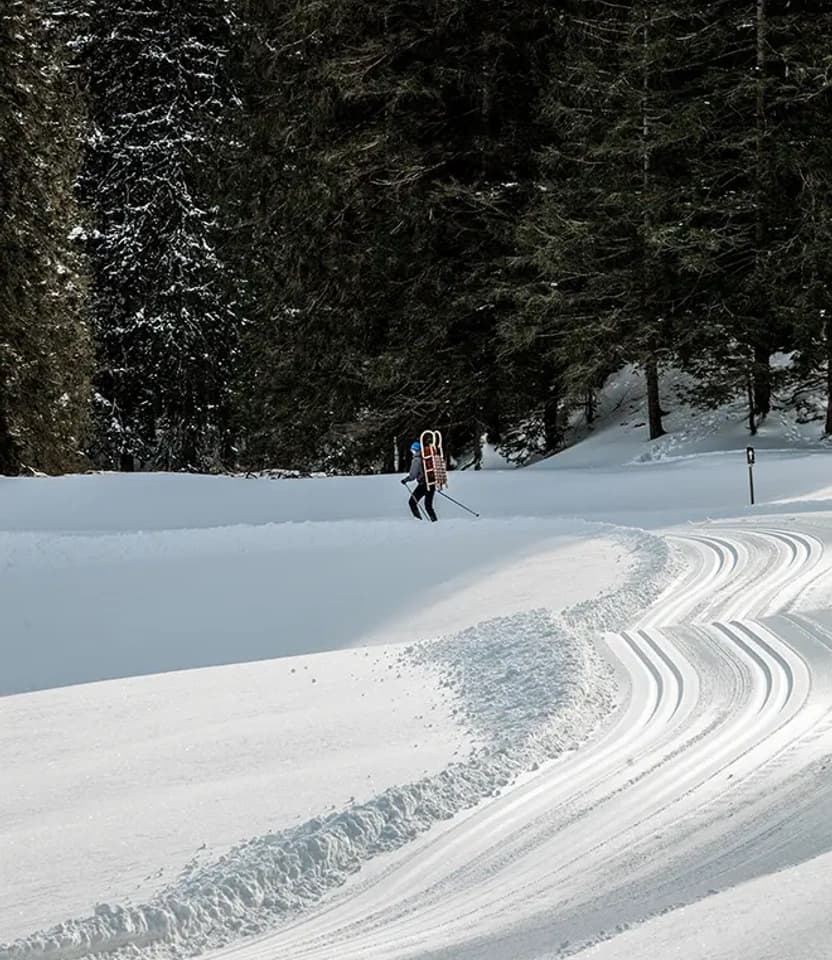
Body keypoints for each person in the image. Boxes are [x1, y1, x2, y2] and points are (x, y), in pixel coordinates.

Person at [401, 440, 438, 521]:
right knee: (428, 505)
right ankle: (435, 521)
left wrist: (405, 480)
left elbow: (413, 475)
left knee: (412, 502)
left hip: (423, 484)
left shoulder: (416, 459)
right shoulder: (425, 457)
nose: (412, 452)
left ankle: (418, 521)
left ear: (415, 450)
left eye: (412, 450)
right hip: (431, 482)